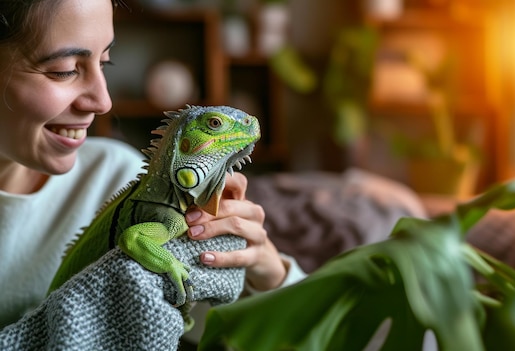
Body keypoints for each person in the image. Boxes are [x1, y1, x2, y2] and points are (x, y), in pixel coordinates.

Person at [0, 0, 305, 347]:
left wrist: (266, 272)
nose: (103, 101)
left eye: (105, 63)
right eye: (64, 69)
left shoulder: (118, 174)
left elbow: (225, 330)